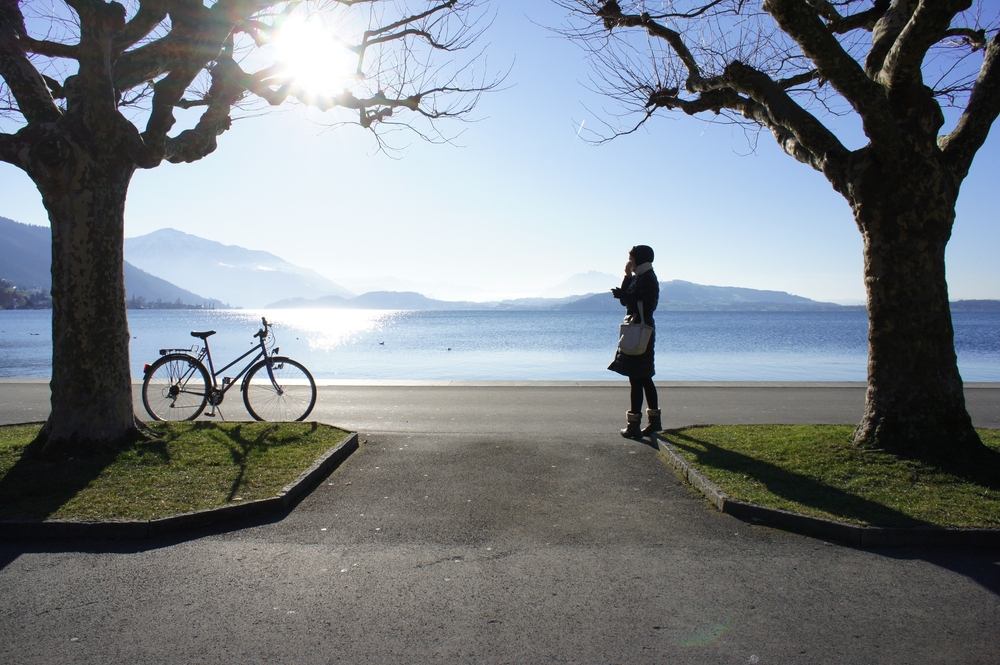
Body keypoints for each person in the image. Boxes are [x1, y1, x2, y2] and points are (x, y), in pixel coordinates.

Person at [608, 245, 660, 439]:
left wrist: (626, 296)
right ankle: (653, 422)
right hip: (638, 331)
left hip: (641, 332)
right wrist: (627, 276)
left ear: (638, 259)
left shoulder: (648, 279)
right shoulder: (640, 276)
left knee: (639, 378)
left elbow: (647, 307)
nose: (629, 262)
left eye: (631, 259)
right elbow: (625, 301)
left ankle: (634, 426)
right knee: (643, 378)